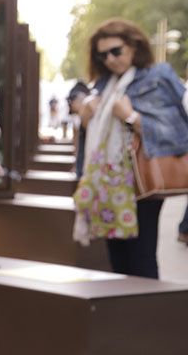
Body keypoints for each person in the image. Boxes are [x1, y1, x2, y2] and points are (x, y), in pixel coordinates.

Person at [74, 18, 188, 278]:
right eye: (103, 55)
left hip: (140, 182)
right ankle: (126, 316)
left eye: (116, 51)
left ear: (134, 47)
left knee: (141, 259)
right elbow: (92, 136)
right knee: (117, 260)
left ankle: (148, 317)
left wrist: (132, 117)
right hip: (106, 182)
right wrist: (86, 114)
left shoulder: (158, 76)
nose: (110, 59)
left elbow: (180, 132)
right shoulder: (104, 84)